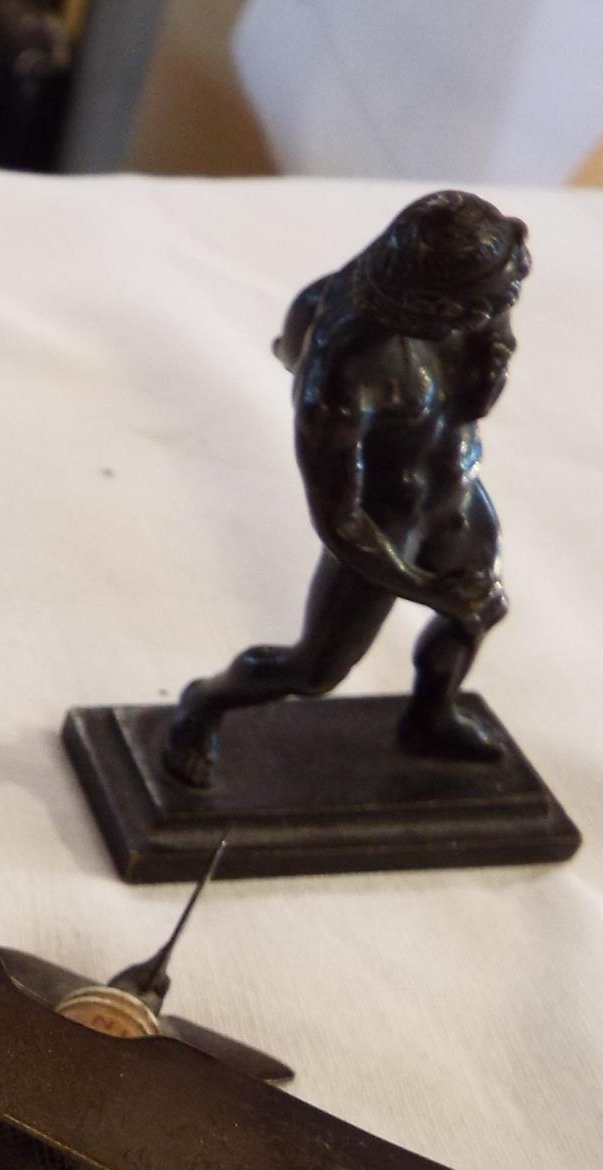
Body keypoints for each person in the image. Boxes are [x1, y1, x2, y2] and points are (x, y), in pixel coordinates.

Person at [163, 193, 531, 788]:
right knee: (314, 671)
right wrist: (428, 589)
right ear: (433, 302)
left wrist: (493, 359)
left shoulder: (484, 290)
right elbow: (340, 520)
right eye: (483, 306)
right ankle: (203, 704)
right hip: (385, 520)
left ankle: (431, 715)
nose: (496, 312)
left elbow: (476, 378)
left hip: (456, 488)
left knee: (478, 613)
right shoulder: (345, 368)